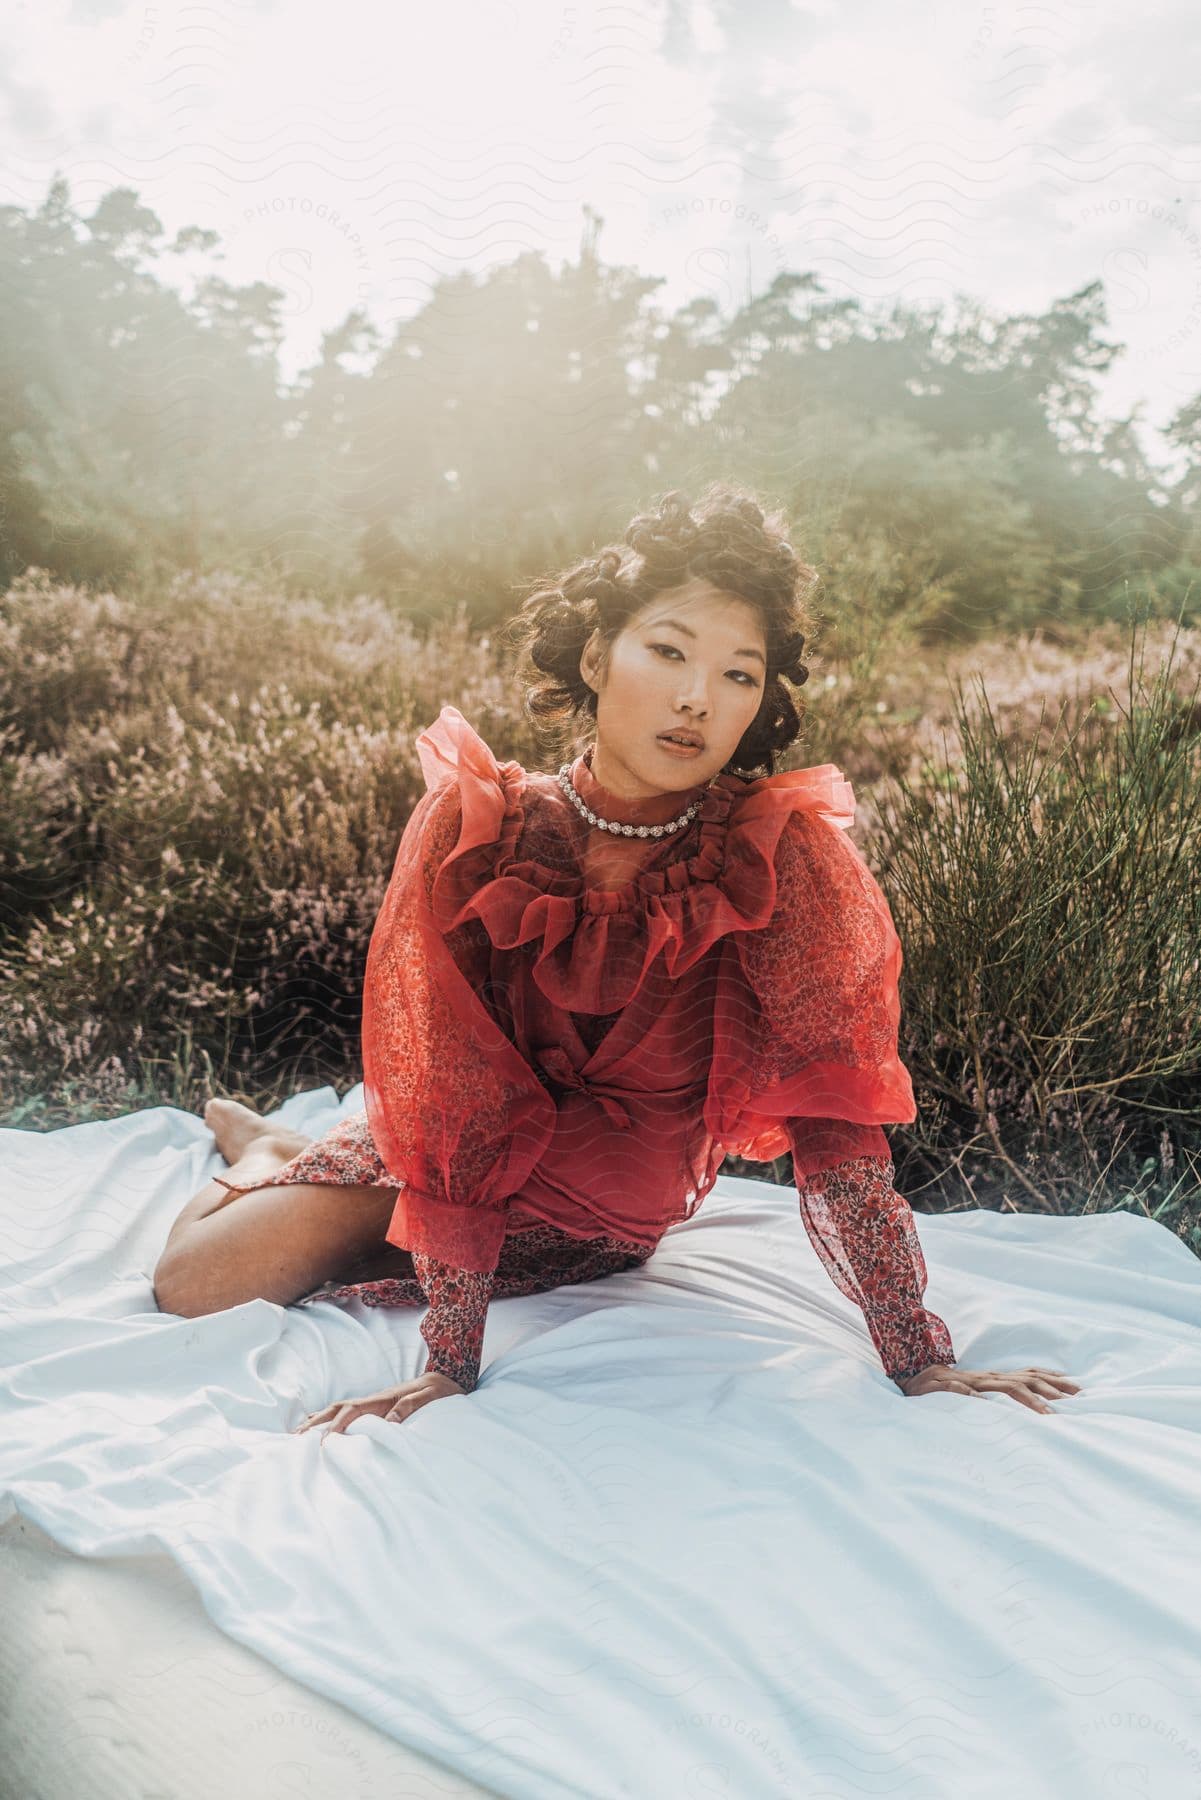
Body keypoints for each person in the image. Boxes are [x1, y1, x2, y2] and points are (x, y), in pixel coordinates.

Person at [152, 485, 1080, 1435]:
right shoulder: (481, 832)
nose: (695, 699)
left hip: (602, 1233)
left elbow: (834, 1124)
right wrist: (449, 1365)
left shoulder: (780, 856)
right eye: (668, 651)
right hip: (443, 1168)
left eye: (737, 674)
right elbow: (452, 1096)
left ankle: (287, 1154)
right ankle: (272, 1150)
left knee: (337, 1267)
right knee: (196, 1288)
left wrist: (918, 1358)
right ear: (597, 655)